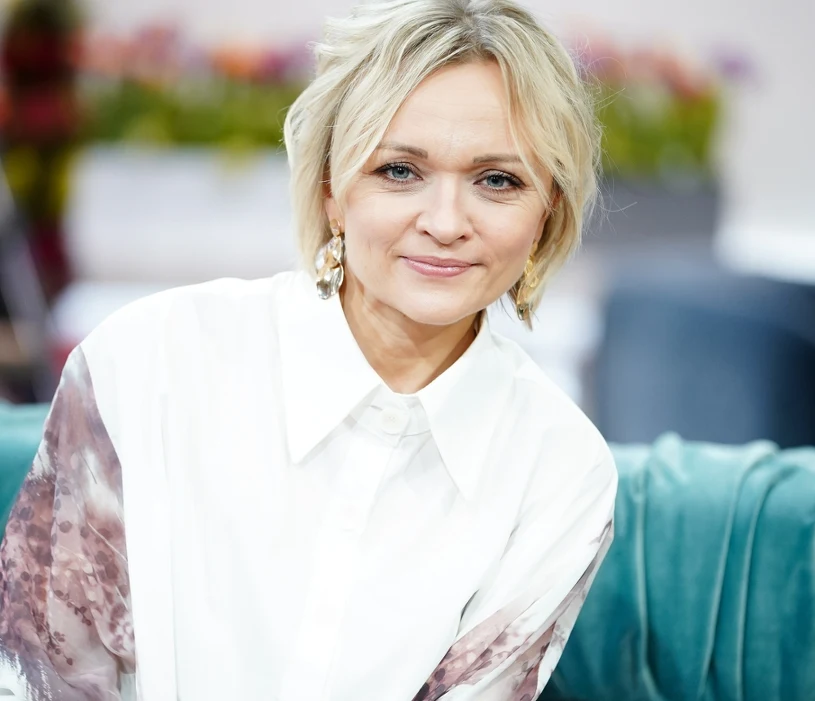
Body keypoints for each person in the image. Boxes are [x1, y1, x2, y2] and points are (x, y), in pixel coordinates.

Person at [0, 0, 617, 698]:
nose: (446, 222)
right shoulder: (146, 361)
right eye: (399, 171)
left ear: (547, 213)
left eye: (497, 181)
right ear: (331, 189)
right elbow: (42, 675)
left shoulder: (561, 469)